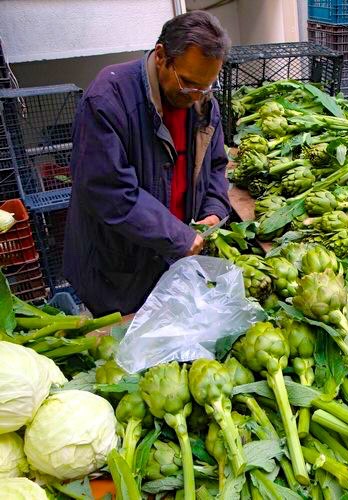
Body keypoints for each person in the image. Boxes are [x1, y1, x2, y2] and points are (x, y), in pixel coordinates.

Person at [64, 11, 232, 316]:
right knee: (123, 347)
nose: (196, 95)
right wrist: (179, 236)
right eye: (189, 84)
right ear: (160, 56)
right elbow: (109, 192)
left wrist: (214, 210)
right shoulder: (107, 99)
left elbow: (217, 166)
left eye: (207, 86)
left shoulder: (204, 104)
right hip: (118, 268)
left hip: (173, 258)